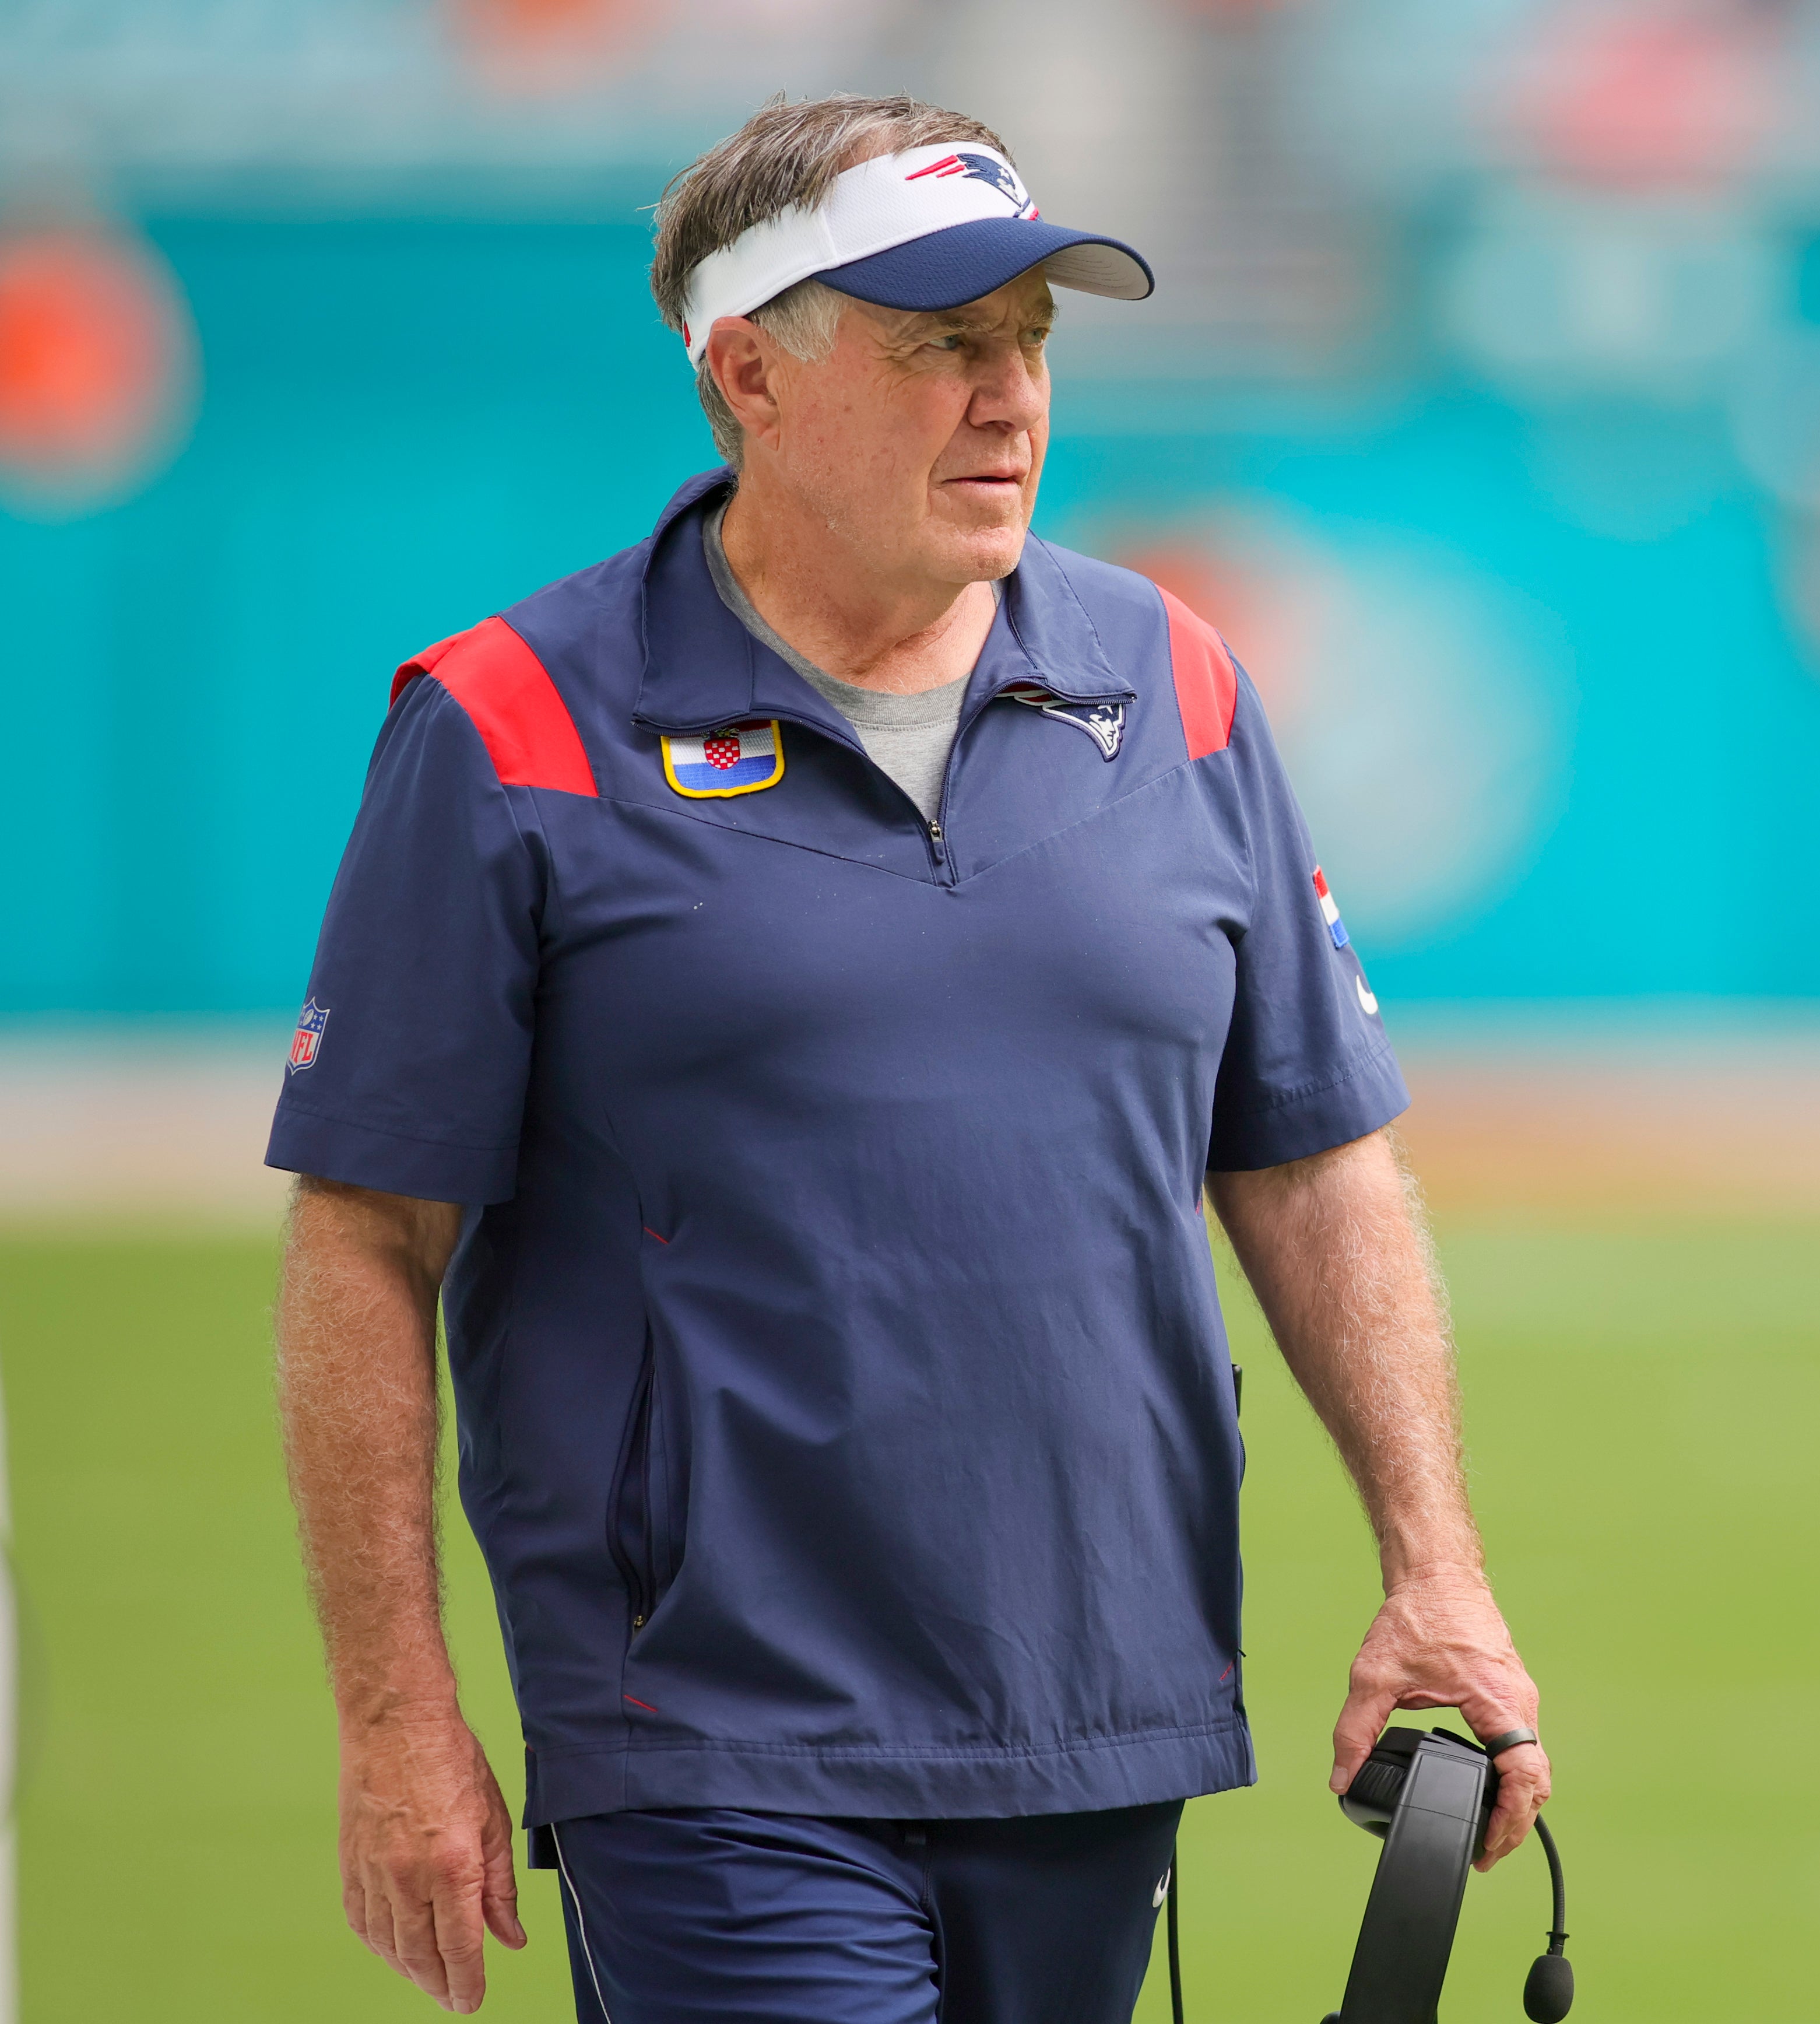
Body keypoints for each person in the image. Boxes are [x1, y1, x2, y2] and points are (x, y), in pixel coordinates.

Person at [267, 93, 1549, 2022]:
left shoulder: (1175, 681)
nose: (1010, 396)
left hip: (1099, 1717)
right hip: (711, 1741)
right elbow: (367, 1241)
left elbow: (1311, 1161)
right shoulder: (511, 725)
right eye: (941, 342)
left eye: (1030, 338)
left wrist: (1434, 1568)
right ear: (749, 375)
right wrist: (397, 1716)